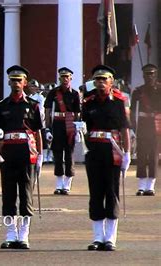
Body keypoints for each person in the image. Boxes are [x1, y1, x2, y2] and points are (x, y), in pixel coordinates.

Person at [0, 65, 43, 250]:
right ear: (8, 82)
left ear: (25, 83)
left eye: (19, 80)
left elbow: (37, 133)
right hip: (8, 153)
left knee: (26, 193)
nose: (16, 83)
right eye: (13, 80)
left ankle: (24, 235)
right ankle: (11, 234)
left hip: (28, 153)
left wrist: (41, 155)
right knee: (9, 193)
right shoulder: (0, 106)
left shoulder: (33, 106)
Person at [82, 65, 131, 251]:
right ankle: (97, 237)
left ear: (111, 82)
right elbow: (84, 126)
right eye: (98, 80)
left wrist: (126, 153)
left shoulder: (118, 102)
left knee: (111, 193)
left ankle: (110, 238)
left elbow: (124, 128)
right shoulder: (88, 102)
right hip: (94, 151)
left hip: (113, 151)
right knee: (95, 193)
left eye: (104, 79)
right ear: (93, 82)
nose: (101, 83)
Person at [44, 67, 81, 195]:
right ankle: (59, 184)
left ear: (71, 78)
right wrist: (47, 128)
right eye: (62, 77)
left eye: (67, 77)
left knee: (69, 154)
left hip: (70, 124)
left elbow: (77, 113)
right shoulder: (53, 93)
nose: (65, 79)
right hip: (57, 124)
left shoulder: (75, 94)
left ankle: (67, 184)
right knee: (58, 154)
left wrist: (77, 129)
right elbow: (47, 111)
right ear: (59, 78)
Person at [130, 64, 160, 196]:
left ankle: (150, 186)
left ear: (156, 75)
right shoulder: (138, 91)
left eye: (152, 74)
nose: (150, 76)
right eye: (147, 74)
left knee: (154, 155)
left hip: (156, 126)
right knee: (141, 155)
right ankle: (141, 186)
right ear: (143, 76)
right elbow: (132, 110)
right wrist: (133, 126)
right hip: (143, 125)